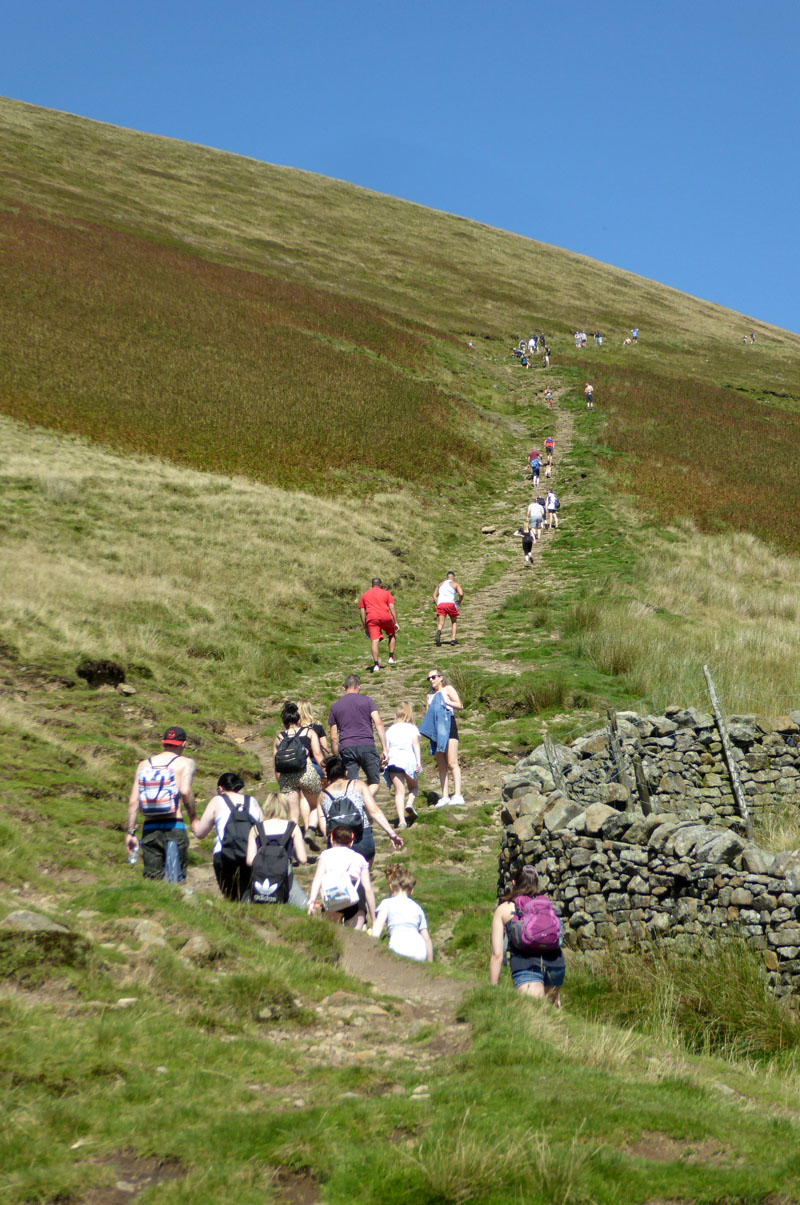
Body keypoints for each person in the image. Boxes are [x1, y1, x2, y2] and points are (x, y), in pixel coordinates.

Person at [126, 725, 197, 881]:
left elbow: (133, 802)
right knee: (177, 879)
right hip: (175, 825)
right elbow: (185, 791)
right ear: (184, 744)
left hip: (150, 827)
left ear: (163, 742)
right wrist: (194, 819)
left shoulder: (144, 765)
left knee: (153, 879)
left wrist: (131, 833)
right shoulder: (186, 763)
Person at [490, 866, 565, 1005]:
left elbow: (497, 955)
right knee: (554, 1013)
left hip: (525, 965)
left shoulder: (504, 909)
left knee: (534, 1012)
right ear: (536, 883)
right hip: (556, 963)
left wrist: (492, 990)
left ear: (514, 882)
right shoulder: (546, 905)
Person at [319, 755, 404, 864]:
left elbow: (324, 826)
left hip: (337, 842)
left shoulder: (322, 796)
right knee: (364, 876)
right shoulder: (358, 785)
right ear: (346, 773)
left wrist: (331, 843)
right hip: (363, 838)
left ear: (328, 775)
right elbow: (374, 811)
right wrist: (392, 834)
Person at [192, 772, 263, 900]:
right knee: (248, 895)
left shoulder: (217, 800)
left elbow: (200, 833)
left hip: (224, 855)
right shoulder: (252, 801)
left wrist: (194, 821)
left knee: (230, 897)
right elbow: (264, 830)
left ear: (220, 788)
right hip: (251, 854)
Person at [328, 674, 388, 800]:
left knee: (352, 784)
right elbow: (378, 723)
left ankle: (358, 802)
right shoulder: (368, 701)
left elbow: (333, 737)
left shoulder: (335, 706)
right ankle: (365, 802)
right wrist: (385, 748)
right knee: (374, 781)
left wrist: (336, 756)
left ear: (344, 687)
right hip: (367, 745)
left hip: (346, 747)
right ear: (359, 687)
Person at [245, 792, 309, 909]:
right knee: (306, 907)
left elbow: (250, 860)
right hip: (285, 874)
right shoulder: (292, 827)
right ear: (286, 807)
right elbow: (303, 859)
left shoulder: (256, 828)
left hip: (260, 875)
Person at [307, 826, 376, 929]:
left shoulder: (325, 855)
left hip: (333, 895)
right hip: (355, 896)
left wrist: (312, 901)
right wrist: (374, 919)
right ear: (352, 842)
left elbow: (318, 879)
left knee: (333, 935)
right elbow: (368, 889)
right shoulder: (359, 858)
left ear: (331, 839)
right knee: (355, 937)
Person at [273, 701, 325, 832]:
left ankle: (293, 845)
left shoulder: (279, 738)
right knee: (319, 805)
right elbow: (318, 754)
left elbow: (276, 763)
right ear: (299, 719)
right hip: (306, 773)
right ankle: (311, 830)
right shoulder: (309, 732)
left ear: (284, 722)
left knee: (292, 817)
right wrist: (326, 771)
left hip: (287, 777)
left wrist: (281, 781)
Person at [419, 669, 464, 807]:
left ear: (441, 677)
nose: (431, 680)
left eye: (433, 677)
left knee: (452, 762)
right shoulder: (429, 696)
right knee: (441, 765)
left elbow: (460, 705)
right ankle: (444, 796)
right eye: (429, 678)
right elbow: (428, 715)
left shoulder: (447, 689)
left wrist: (445, 702)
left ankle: (457, 794)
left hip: (449, 726)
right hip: (436, 729)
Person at [373, 865, 433, 962]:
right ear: (411, 891)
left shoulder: (387, 903)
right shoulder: (417, 908)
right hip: (419, 948)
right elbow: (427, 939)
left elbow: (379, 925)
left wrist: (372, 945)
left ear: (391, 887)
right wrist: (430, 963)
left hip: (399, 945)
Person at [383, 703, 422, 827]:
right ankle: (409, 804)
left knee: (399, 792)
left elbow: (387, 749)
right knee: (414, 787)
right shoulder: (412, 728)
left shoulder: (390, 730)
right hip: (408, 759)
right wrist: (419, 761)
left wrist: (385, 759)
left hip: (394, 760)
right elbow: (416, 745)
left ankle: (401, 821)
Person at [359, 577, 399, 672]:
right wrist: (396, 621)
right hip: (385, 616)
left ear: (372, 584)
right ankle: (391, 657)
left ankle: (376, 664)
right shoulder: (386, 593)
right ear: (380, 584)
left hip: (372, 618)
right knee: (392, 633)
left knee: (374, 640)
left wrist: (365, 625)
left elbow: (362, 612)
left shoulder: (365, 595)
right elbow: (392, 607)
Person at [434, 570, 464, 646]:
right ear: (454, 577)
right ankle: (453, 639)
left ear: (446, 577)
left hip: (441, 604)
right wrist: (459, 601)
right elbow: (461, 594)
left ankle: (439, 631)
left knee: (441, 622)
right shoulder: (455, 584)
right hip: (450, 604)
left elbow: (434, 595)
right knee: (454, 621)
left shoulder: (440, 584)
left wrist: (438, 603)